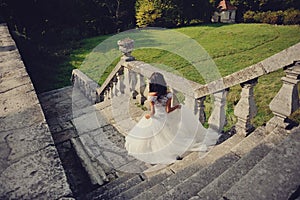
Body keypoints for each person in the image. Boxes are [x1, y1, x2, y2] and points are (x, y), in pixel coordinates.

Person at [125, 72, 219, 165]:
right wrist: (177, 107)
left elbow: (152, 113)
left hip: (157, 118)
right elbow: (168, 110)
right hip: (165, 117)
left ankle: (159, 150)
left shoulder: (151, 96)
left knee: (155, 136)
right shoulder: (168, 94)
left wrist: (147, 116)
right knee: (167, 136)